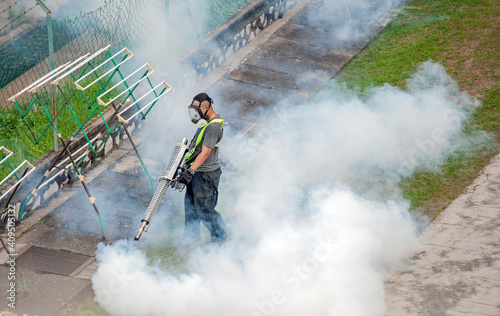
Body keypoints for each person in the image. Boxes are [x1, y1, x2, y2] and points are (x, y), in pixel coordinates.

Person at [177, 92, 227, 244]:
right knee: (191, 208)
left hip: (205, 176)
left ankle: (220, 239)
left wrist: (190, 171)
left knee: (205, 211)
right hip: (196, 172)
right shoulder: (205, 122)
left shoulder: (213, 127)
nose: (195, 114)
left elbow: (205, 152)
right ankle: (191, 239)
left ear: (206, 107)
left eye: (197, 110)